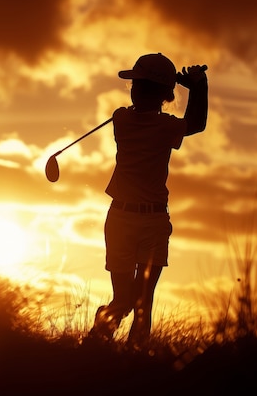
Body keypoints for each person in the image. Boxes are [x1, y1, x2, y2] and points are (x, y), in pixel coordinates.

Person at [88, 53, 208, 346]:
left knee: (142, 302)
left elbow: (193, 124)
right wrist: (198, 86)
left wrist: (185, 86)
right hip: (125, 221)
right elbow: (196, 123)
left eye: (141, 86)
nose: (136, 90)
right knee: (126, 301)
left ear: (159, 94)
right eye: (136, 86)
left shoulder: (121, 117)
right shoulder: (152, 124)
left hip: (149, 221)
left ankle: (131, 358)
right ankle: (95, 343)